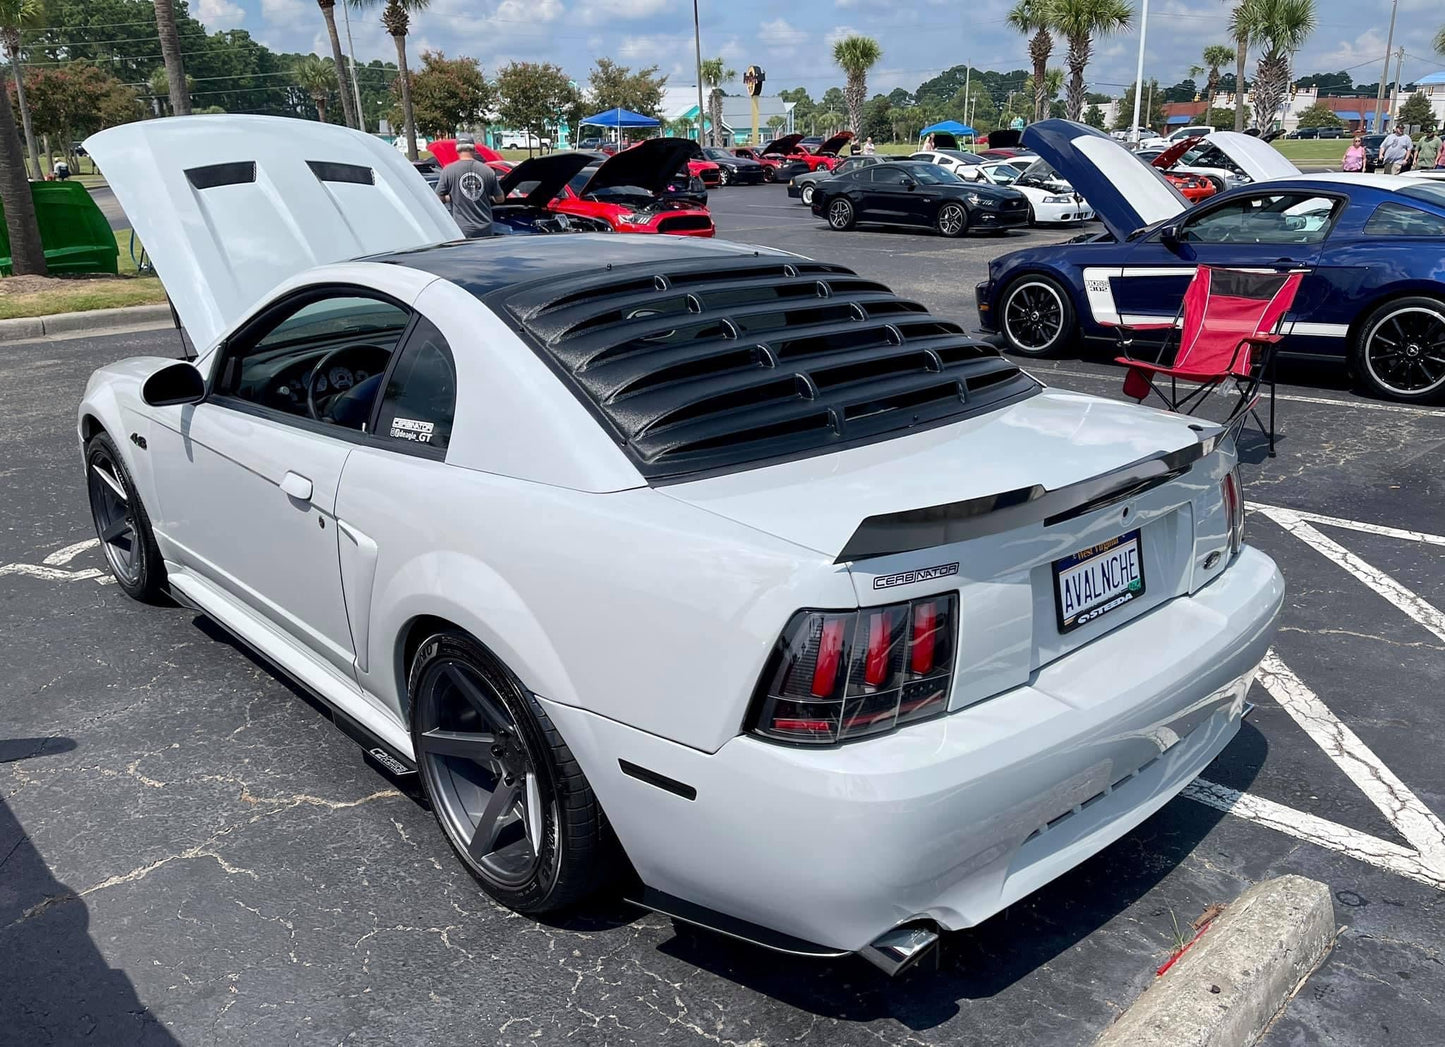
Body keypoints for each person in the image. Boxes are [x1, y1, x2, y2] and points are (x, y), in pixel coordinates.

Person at [434, 133, 503, 237]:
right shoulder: (488, 171)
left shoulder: (448, 171)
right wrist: (486, 196)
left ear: (457, 149)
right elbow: (500, 199)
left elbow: (438, 198)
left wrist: (451, 197)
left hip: (462, 230)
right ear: (474, 149)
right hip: (485, 229)